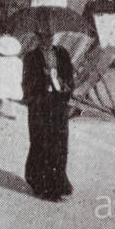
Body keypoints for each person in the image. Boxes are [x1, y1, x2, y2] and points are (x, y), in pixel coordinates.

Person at [22, 41, 75, 201]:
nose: (48, 38)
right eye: (44, 34)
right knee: (41, 143)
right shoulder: (31, 57)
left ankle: (59, 183)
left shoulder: (62, 53)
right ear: (38, 36)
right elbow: (27, 83)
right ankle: (42, 185)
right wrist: (42, 81)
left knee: (59, 143)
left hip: (58, 104)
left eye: (50, 34)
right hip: (40, 106)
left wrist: (62, 83)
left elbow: (69, 77)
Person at [0, 35, 24, 118]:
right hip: (13, 80)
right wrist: (19, 79)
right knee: (12, 96)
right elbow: (20, 71)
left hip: (2, 80)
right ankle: (13, 112)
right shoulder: (18, 61)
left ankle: (0, 110)